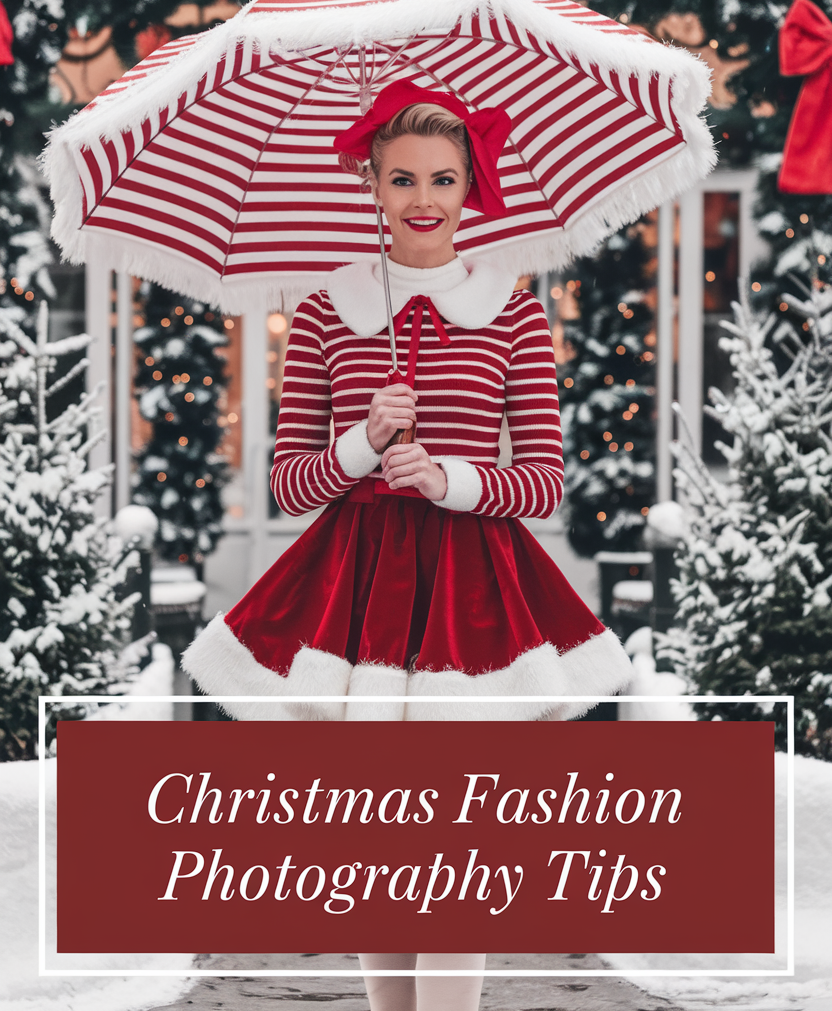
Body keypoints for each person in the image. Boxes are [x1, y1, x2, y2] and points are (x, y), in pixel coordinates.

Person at [182, 80, 633, 1011]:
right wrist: (363, 443)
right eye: (400, 178)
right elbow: (289, 484)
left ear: (473, 187)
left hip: (472, 600)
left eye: (442, 177)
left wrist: (454, 480)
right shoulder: (323, 310)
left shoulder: (508, 309)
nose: (422, 197)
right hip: (354, 599)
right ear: (372, 187)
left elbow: (544, 482)